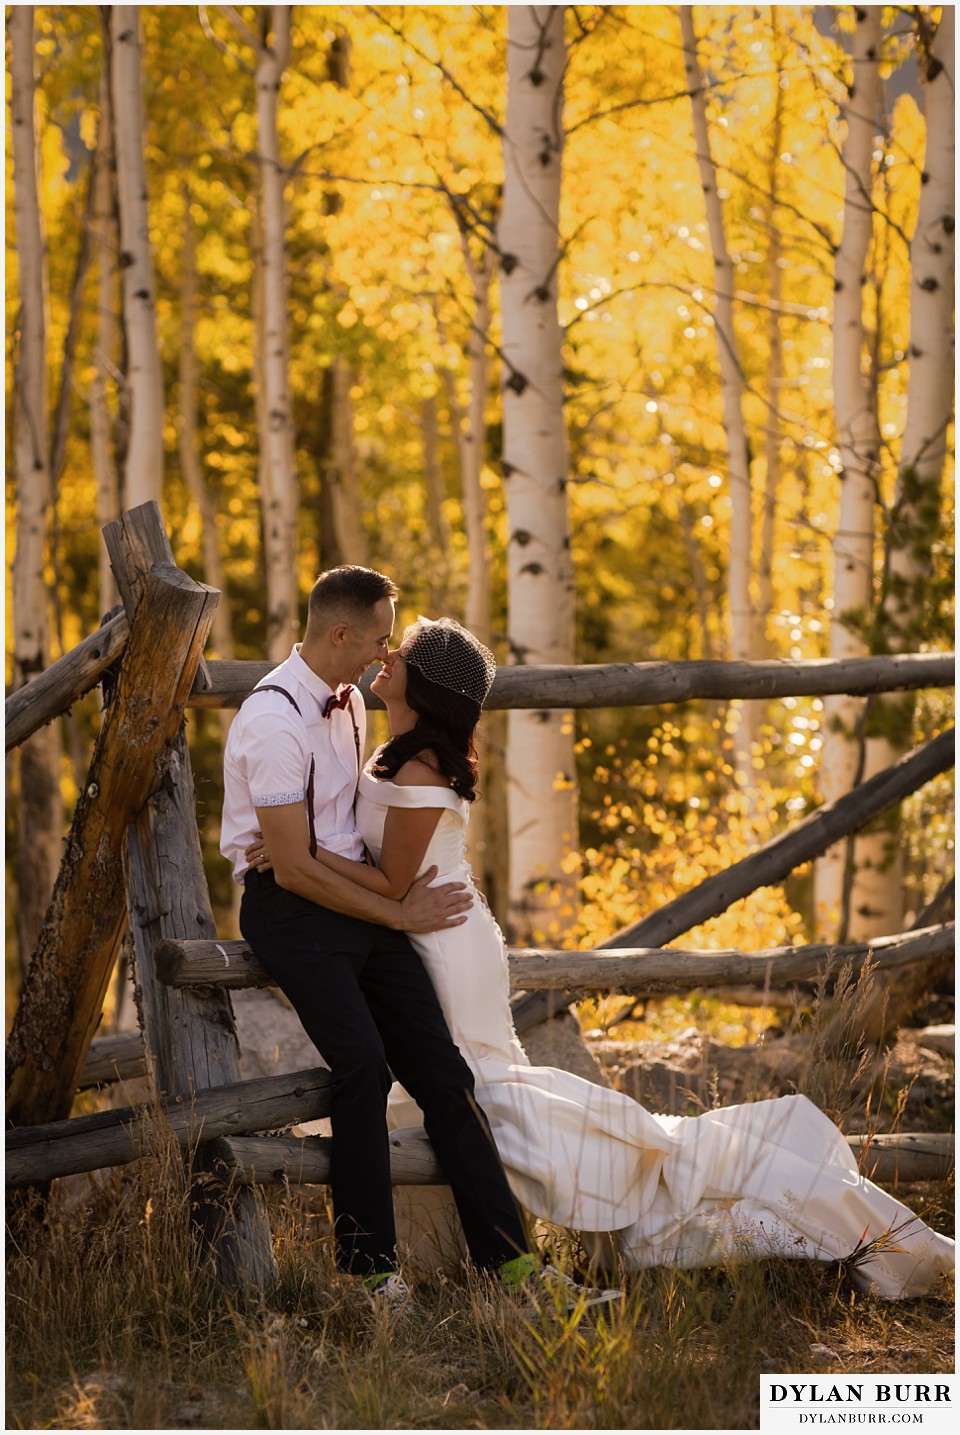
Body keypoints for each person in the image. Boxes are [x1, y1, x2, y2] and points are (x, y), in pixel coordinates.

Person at [247, 614, 955, 1301]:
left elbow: (395, 881)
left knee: (485, 1091)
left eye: (404, 650)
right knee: (471, 1089)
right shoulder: (386, 741)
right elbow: (354, 831)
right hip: (426, 929)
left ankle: (623, 1196)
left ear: (425, 685)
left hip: (437, 933)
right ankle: (477, 1252)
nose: (388, 653)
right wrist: (293, 844)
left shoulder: (424, 768)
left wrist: (296, 858)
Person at [222, 567, 605, 1312]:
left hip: (356, 899)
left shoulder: (351, 708)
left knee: (443, 1071)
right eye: (378, 636)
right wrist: (398, 914)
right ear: (342, 635)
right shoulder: (272, 722)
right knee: (362, 1063)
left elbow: (338, 838)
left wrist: (386, 904)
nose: (384, 650)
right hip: (292, 908)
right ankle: (372, 1275)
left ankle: (516, 1268)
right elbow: (294, 869)